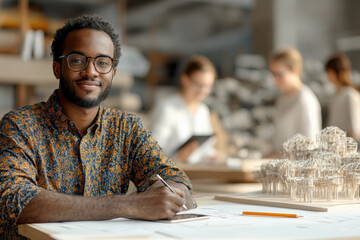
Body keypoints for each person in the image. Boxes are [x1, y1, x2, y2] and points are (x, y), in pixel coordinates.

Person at [0, 15, 194, 239]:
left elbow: (178, 182)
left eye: (102, 62)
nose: (91, 71)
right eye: (77, 60)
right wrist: (129, 205)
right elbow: (11, 200)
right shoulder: (20, 126)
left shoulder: (127, 128)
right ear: (57, 68)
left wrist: (169, 195)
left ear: (113, 72)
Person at [150, 55, 225, 164]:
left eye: (207, 86)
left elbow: (206, 150)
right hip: (170, 176)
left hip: (197, 174)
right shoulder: (167, 108)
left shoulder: (203, 111)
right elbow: (152, 152)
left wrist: (213, 157)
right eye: (198, 84)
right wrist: (178, 157)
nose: (203, 90)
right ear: (184, 80)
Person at [269, 48, 322, 154]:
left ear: (294, 71)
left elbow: (310, 147)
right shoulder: (282, 100)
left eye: (279, 74)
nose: (275, 80)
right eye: (273, 74)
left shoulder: (305, 100)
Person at [325, 52, 360, 141]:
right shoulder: (335, 95)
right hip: (335, 147)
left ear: (333, 72)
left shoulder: (350, 95)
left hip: (347, 148)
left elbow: (354, 128)